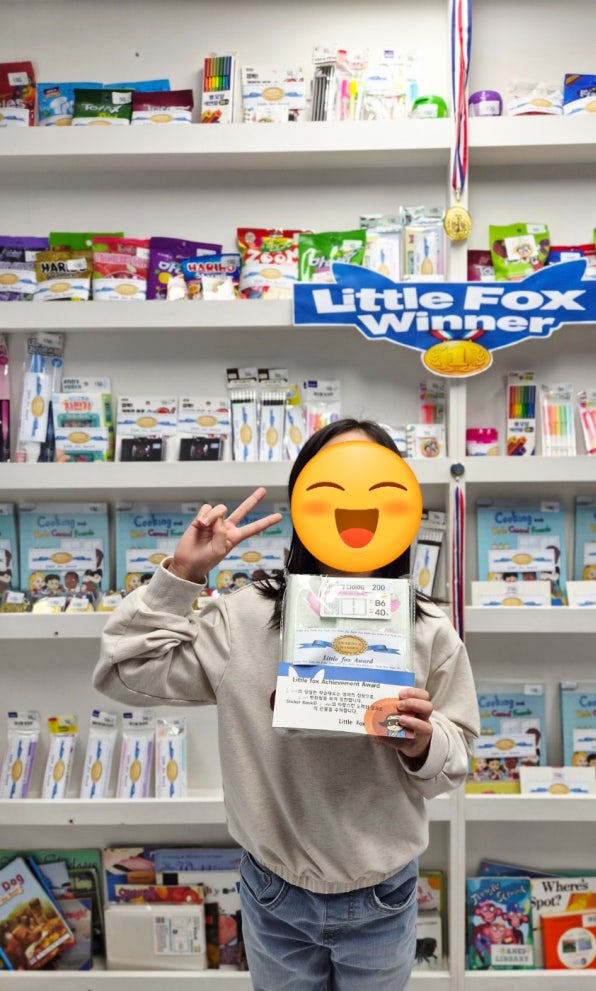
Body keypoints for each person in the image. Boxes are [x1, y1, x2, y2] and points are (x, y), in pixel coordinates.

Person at [93, 417, 480, 991]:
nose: (353, 501)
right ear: (304, 501)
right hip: (275, 892)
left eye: (373, 481)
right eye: (333, 481)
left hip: (382, 892)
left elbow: (458, 757)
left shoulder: (426, 630)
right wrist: (183, 575)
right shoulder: (245, 617)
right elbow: (125, 673)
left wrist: (424, 743)